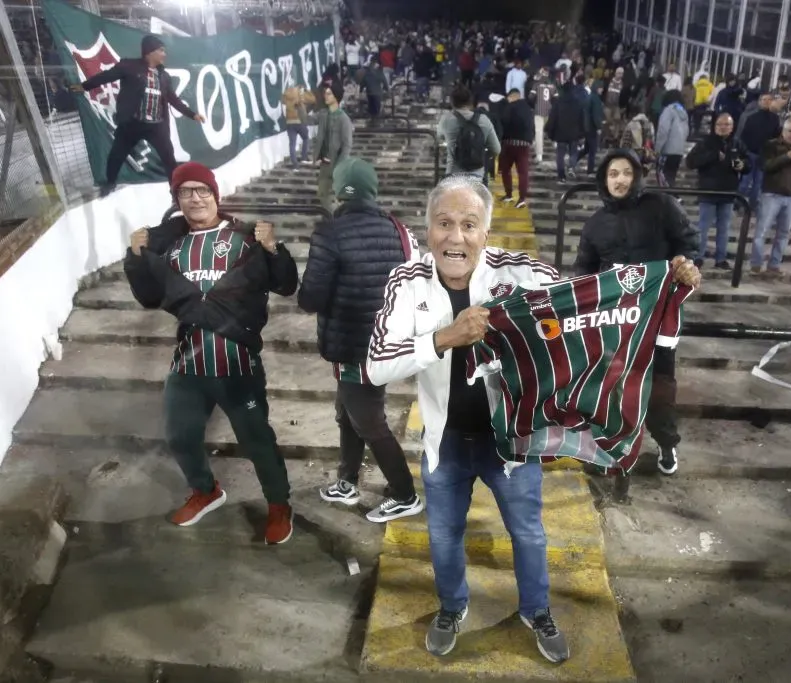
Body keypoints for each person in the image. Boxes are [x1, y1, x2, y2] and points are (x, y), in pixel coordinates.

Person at [366, 175, 570, 663]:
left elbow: (598, 301)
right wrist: (444, 338)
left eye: (469, 225)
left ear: (486, 232)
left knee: (528, 533)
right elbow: (375, 365)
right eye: (444, 224)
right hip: (446, 441)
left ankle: (536, 610)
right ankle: (452, 607)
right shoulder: (406, 279)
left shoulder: (518, 272)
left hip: (512, 442)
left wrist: (668, 284)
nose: (455, 238)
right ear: (428, 229)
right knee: (442, 536)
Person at [123, 162, 298, 543]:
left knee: (257, 440)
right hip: (188, 362)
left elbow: (286, 283)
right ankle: (206, 490)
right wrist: (136, 259)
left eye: (202, 190)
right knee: (179, 434)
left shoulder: (246, 236)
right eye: (185, 192)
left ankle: (279, 505)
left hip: (237, 363)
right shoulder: (169, 243)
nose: (195, 198)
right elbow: (150, 297)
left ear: (215, 195)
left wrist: (274, 249)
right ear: (177, 200)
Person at [298, 157, 424, 522]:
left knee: (368, 421)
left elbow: (311, 299)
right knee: (347, 413)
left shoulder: (330, 232)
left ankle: (404, 494)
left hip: (352, 347)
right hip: (388, 343)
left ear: (339, 190)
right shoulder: (399, 229)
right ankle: (347, 481)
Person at [573, 150, 700, 475]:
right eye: (613, 173)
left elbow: (689, 242)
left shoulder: (662, 207)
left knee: (660, 386)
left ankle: (666, 442)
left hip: (657, 317)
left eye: (626, 172)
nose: (620, 179)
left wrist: (685, 265)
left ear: (637, 176)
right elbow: (583, 272)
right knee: (610, 386)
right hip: (614, 322)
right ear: (604, 179)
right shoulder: (595, 224)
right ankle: (607, 447)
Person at [70, 35, 206, 197]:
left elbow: (173, 100)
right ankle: (110, 183)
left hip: (156, 127)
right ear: (149, 52)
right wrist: (84, 87)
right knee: (116, 155)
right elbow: (106, 76)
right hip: (131, 124)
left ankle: (175, 189)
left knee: (169, 158)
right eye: (161, 50)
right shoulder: (129, 66)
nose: (164, 54)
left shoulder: (164, 77)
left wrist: (192, 114)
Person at [750, 116, 791, 277]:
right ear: (783, 131)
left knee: (784, 232)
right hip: (771, 194)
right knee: (762, 231)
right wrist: (787, 157)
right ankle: (756, 264)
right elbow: (766, 166)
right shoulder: (771, 145)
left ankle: (774, 265)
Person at [685, 112, 747, 270]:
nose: (723, 127)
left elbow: (748, 163)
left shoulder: (737, 143)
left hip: (728, 193)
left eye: (727, 124)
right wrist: (713, 156)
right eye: (720, 124)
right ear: (714, 126)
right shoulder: (705, 142)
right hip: (708, 192)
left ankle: (721, 258)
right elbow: (691, 162)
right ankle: (698, 257)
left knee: (724, 228)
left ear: (732, 127)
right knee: (703, 227)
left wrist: (743, 166)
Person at [437, 85, 501, 180]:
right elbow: (496, 149)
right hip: (477, 176)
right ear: (471, 101)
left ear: (452, 102)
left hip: (453, 173)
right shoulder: (484, 120)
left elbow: (440, 137)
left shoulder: (446, 119)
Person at [312, 83, 353, 214]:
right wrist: (299, 106)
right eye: (326, 93)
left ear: (336, 97)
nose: (326, 96)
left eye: (329, 93)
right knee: (322, 194)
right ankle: (331, 219)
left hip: (337, 163)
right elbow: (308, 120)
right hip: (325, 163)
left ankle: (337, 220)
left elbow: (347, 145)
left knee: (335, 196)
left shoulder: (344, 119)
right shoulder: (324, 114)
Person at [498, 88, 535, 209]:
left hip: (509, 143)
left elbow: (504, 122)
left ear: (512, 96)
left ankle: (508, 194)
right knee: (523, 172)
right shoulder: (528, 109)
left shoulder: (510, 107)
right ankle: (522, 199)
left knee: (505, 169)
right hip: (524, 144)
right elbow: (532, 126)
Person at [654, 90, 689, 188]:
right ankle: (673, 197)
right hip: (679, 151)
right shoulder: (684, 112)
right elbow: (687, 132)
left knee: (662, 177)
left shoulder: (668, 110)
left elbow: (663, 130)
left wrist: (657, 149)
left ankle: (670, 198)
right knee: (671, 177)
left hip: (667, 150)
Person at [281, 84, 314, 168]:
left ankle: (295, 165)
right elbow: (313, 100)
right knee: (306, 138)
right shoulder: (300, 94)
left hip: (289, 122)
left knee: (292, 144)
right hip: (300, 120)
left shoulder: (286, 95)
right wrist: (307, 90)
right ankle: (304, 157)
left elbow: (283, 106)